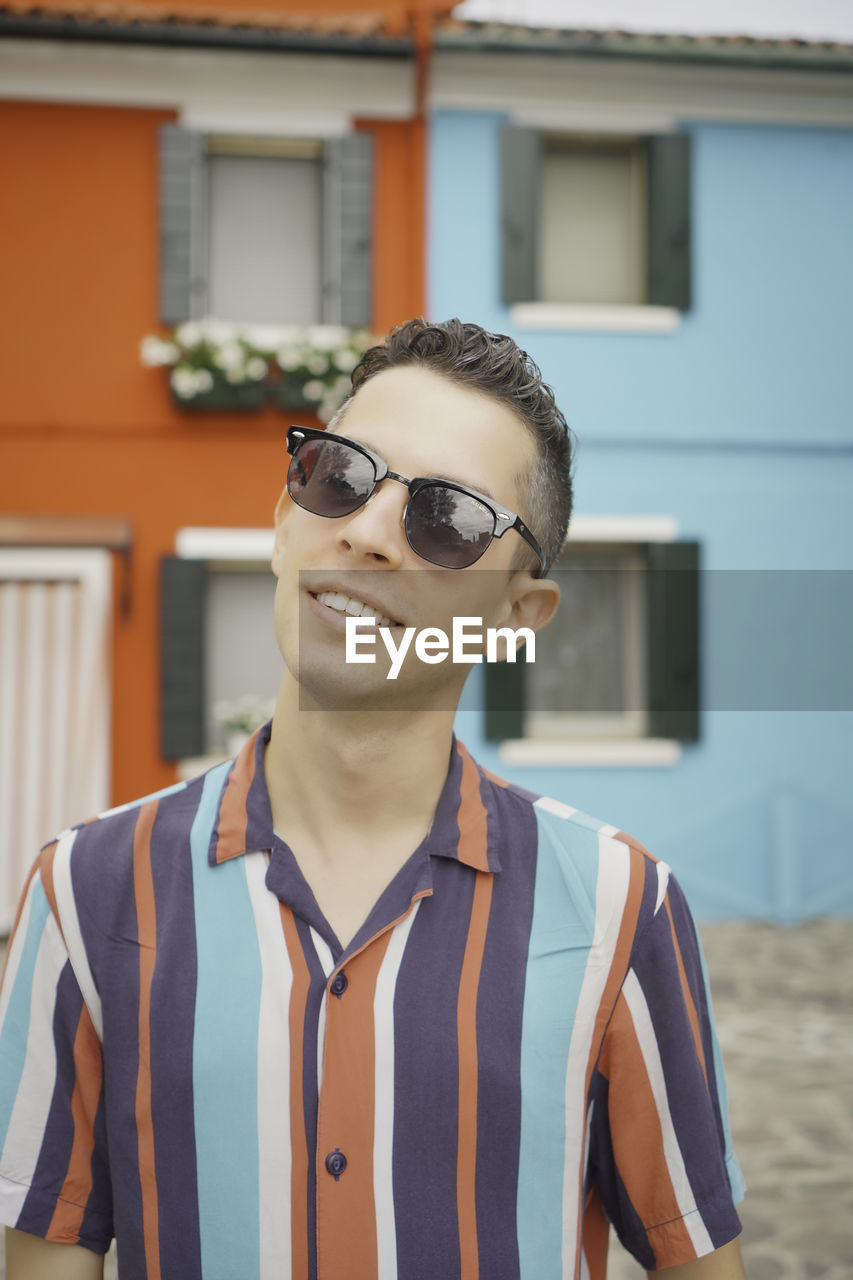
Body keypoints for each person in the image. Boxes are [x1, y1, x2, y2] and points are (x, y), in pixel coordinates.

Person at [0, 318, 746, 1279]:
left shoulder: (620, 908)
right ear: (282, 521)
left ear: (517, 616)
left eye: (447, 518)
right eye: (340, 475)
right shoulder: (84, 893)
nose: (364, 531)